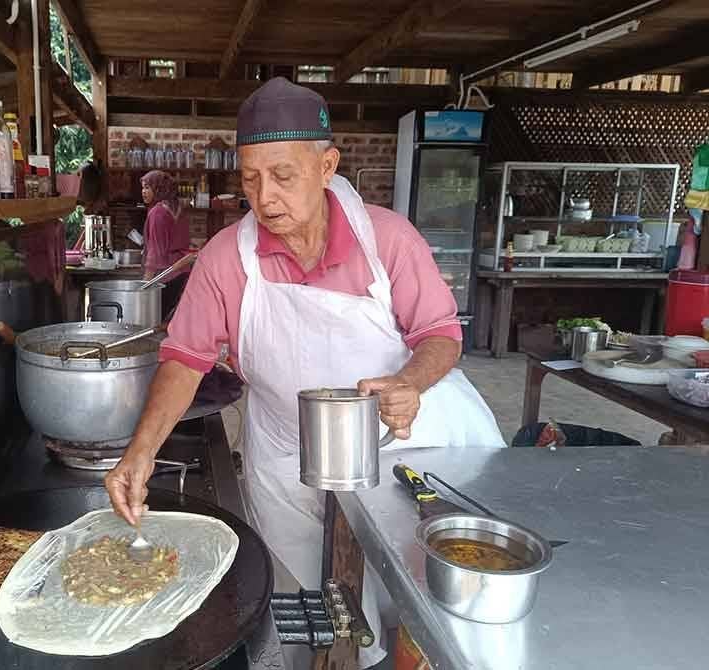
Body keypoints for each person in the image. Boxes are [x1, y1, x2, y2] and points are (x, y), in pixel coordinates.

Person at [105, 78, 504, 667]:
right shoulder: (225, 258)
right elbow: (186, 356)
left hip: (408, 446)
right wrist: (141, 450)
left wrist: (410, 382)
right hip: (289, 457)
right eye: (250, 178)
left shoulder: (386, 238)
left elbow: (440, 333)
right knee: (322, 608)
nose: (265, 198)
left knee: (423, 611)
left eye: (283, 175)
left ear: (327, 165)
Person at [140, 169, 191, 317]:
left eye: (147, 187)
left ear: (159, 188)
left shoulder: (157, 213)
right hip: (181, 271)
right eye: (143, 187)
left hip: (164, 276)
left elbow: (156, 252)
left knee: (153, 321)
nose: (143, 192)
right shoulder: (179, 208)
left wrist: (145, 283)